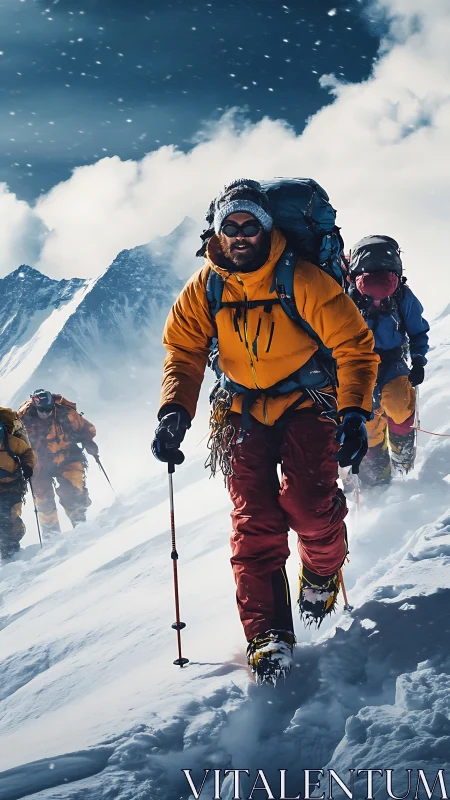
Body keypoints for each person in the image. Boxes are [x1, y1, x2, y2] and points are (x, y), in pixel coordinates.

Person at [152, 179, 379, 683]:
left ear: (266, 227)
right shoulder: (205, 287)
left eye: (248, 224)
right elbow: (184, 352)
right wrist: (174, 411)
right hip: (238, 411)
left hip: (309, 403)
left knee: (310, 506)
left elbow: (354, 347)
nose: (238, 234)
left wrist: (354, 413)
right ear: (217, 231)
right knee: (253, 521)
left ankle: (321, 571)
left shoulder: (302, 280)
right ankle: (267, 635)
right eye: (229, 226)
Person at [347, 235, 429, 487]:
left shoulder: (402, 296)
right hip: (358, 364)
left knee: (398, 402)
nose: (377, 303)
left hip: (392, 360)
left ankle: (401, 454)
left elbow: (417, 330)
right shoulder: (347, 298)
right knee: (367, 416)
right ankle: (376, 470)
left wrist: (417, 360)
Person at [18, 390, 99, 536]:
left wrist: (89, 442)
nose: (46, 413)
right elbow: (17, 445)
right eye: (42, 410)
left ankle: (80, 525)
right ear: (36, 407)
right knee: (44, 502)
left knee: (73, 491)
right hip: (38, 465)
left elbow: (86, 427)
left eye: (49, 409)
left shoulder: (65, 414)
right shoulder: (23, 421)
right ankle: (52, 537)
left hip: (67, 457)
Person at [0, 406, 36, 563]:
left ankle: (12, 549)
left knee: (9, 517)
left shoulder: (11, 441)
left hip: (13, 485)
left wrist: (28, 467)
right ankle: (6, 551)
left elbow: (27, 452)